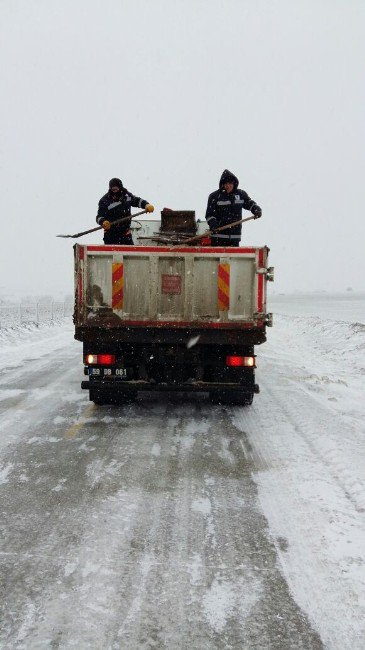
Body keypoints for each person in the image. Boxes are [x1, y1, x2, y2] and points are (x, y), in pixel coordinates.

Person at [205, 169, 262, 246]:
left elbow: (249, 204)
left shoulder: (241, 194)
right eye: (225, 183)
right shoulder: (214, 196)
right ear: (222, 184)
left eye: (230, 183)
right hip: (218, 238)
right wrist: (213, 224)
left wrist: (256, 209)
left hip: (234, 238)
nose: (227, 186)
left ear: (234, 183)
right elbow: (209, 215)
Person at [96, 178, 154, 245]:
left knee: (130, 254)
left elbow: (137, 201)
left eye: (116, 189)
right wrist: (103, 222)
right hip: (111, 235)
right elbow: (99, 217)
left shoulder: (127, 196)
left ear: (120, 187)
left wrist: (146, 205)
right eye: (113, 189)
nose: (114, 191)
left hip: (125, 234)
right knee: (113, 254)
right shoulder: (105, 201)